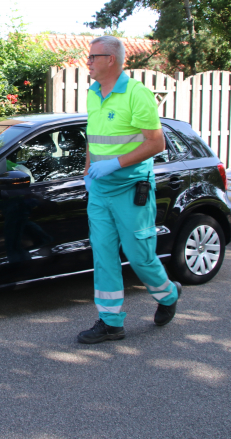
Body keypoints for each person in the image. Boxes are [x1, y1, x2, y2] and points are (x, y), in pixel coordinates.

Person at [77, 36, 181, 344]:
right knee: (104, 255)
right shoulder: (93, 94)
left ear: (111, 60)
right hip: (100, 191)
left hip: (130, 187)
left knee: (139, 255)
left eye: (93, 57)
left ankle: (168, 294)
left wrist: (114, 164)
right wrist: (88, 173)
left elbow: (156, 143)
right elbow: (93, 138)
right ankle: (110, 322)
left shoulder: (138, 94)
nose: (89, 62)